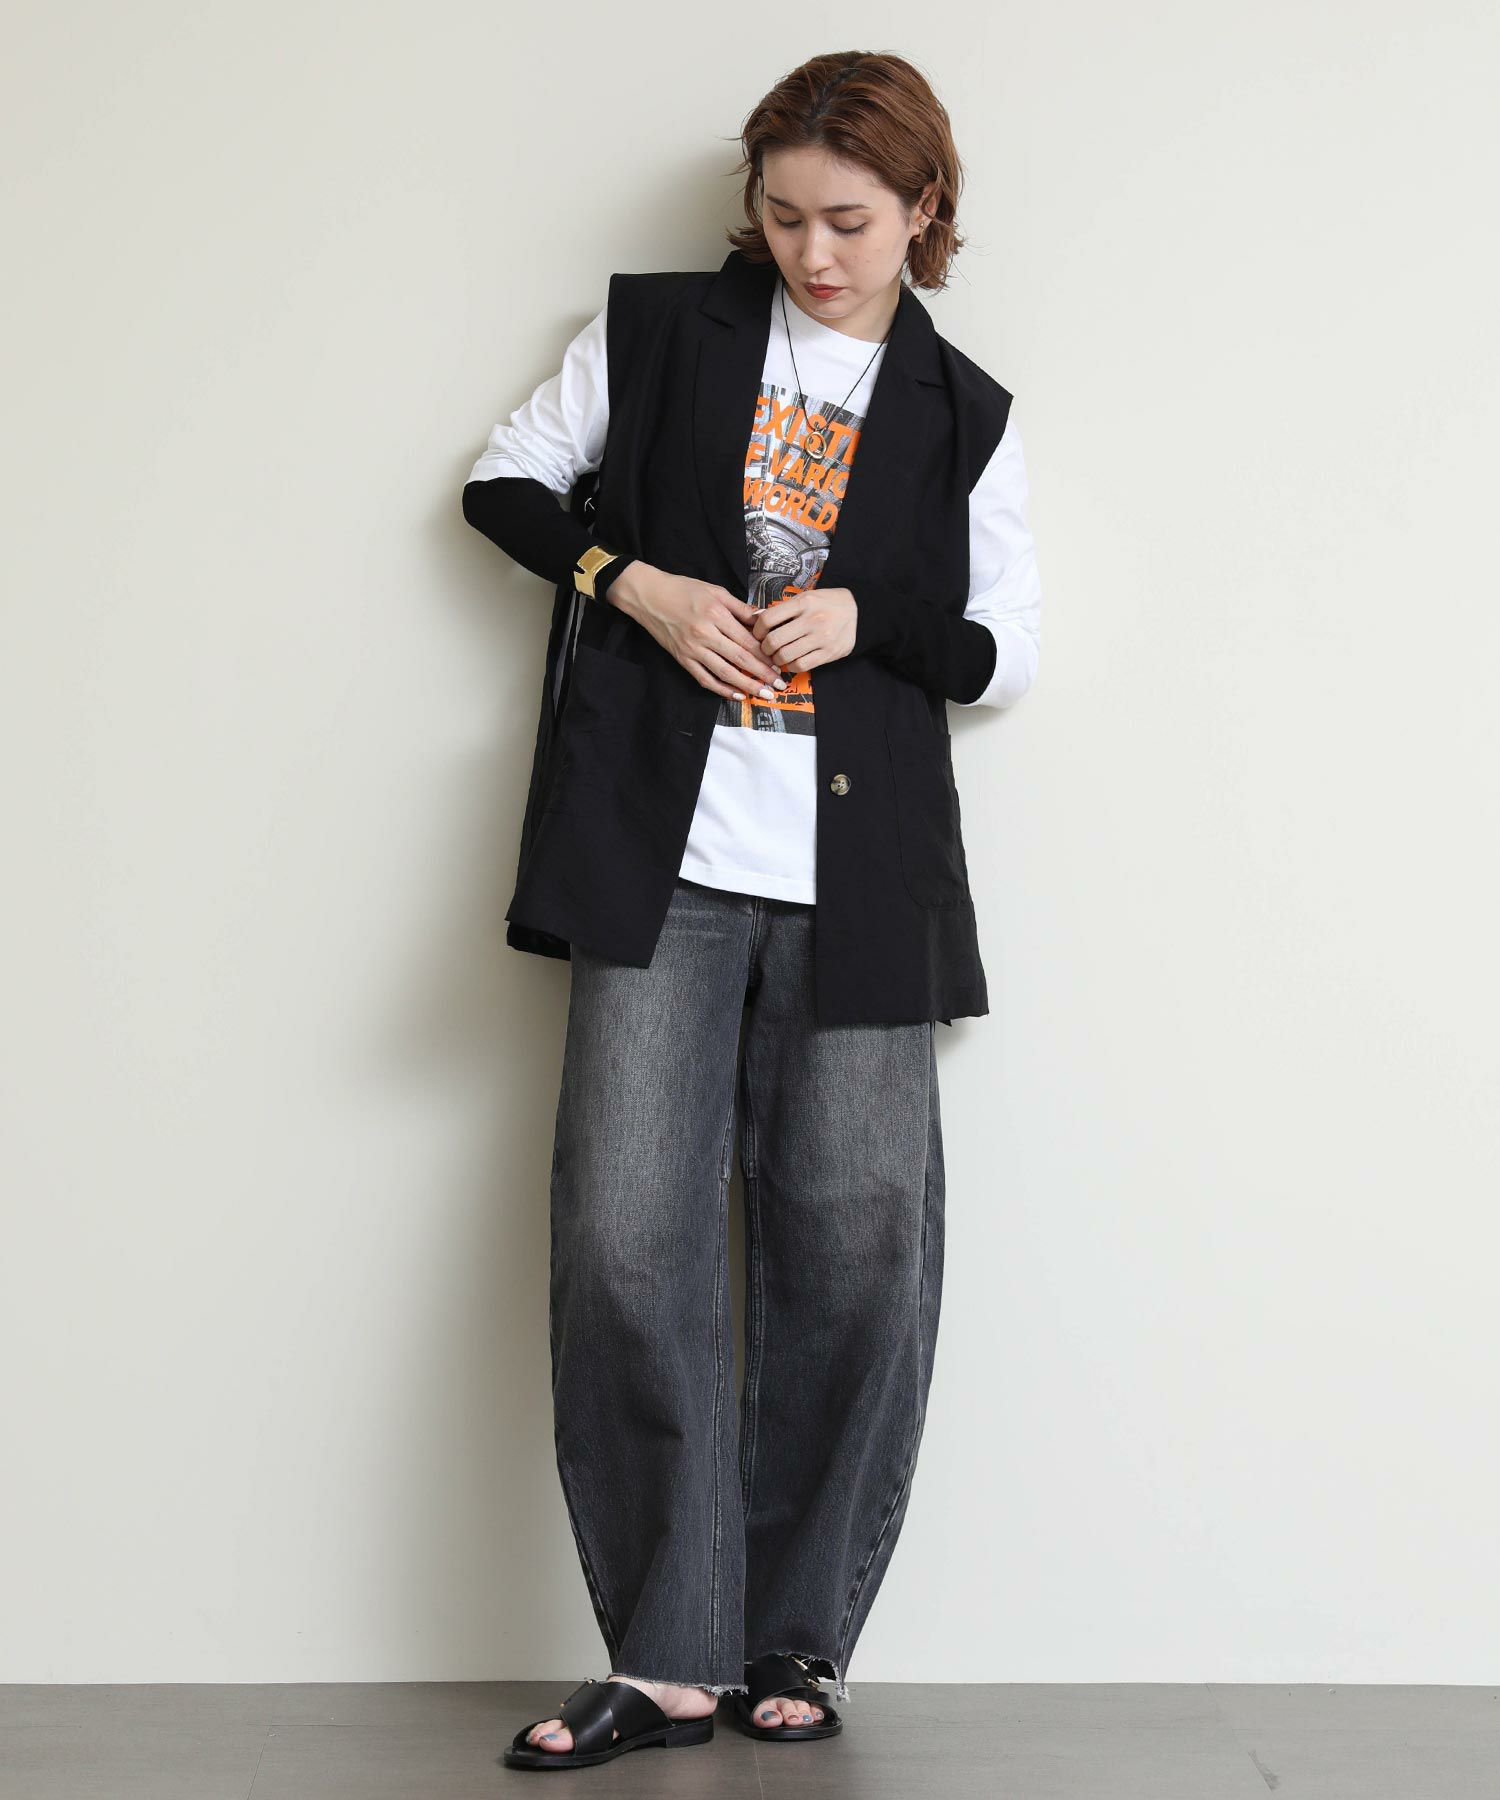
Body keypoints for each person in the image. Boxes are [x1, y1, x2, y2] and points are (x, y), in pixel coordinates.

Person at [461, 49, 1042, 1773]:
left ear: (923, 209)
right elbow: (503, 483)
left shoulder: (965, 410)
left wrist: (870, 620)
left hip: (862, 883)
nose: (814, 253)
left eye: (850, 220)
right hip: (666, 863)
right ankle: (666, 1659)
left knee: (857, 1250)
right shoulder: (659, 335)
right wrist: (631, 582)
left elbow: (1004, 649)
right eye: (784, 216)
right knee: (623, 1240)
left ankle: (797, 1637)